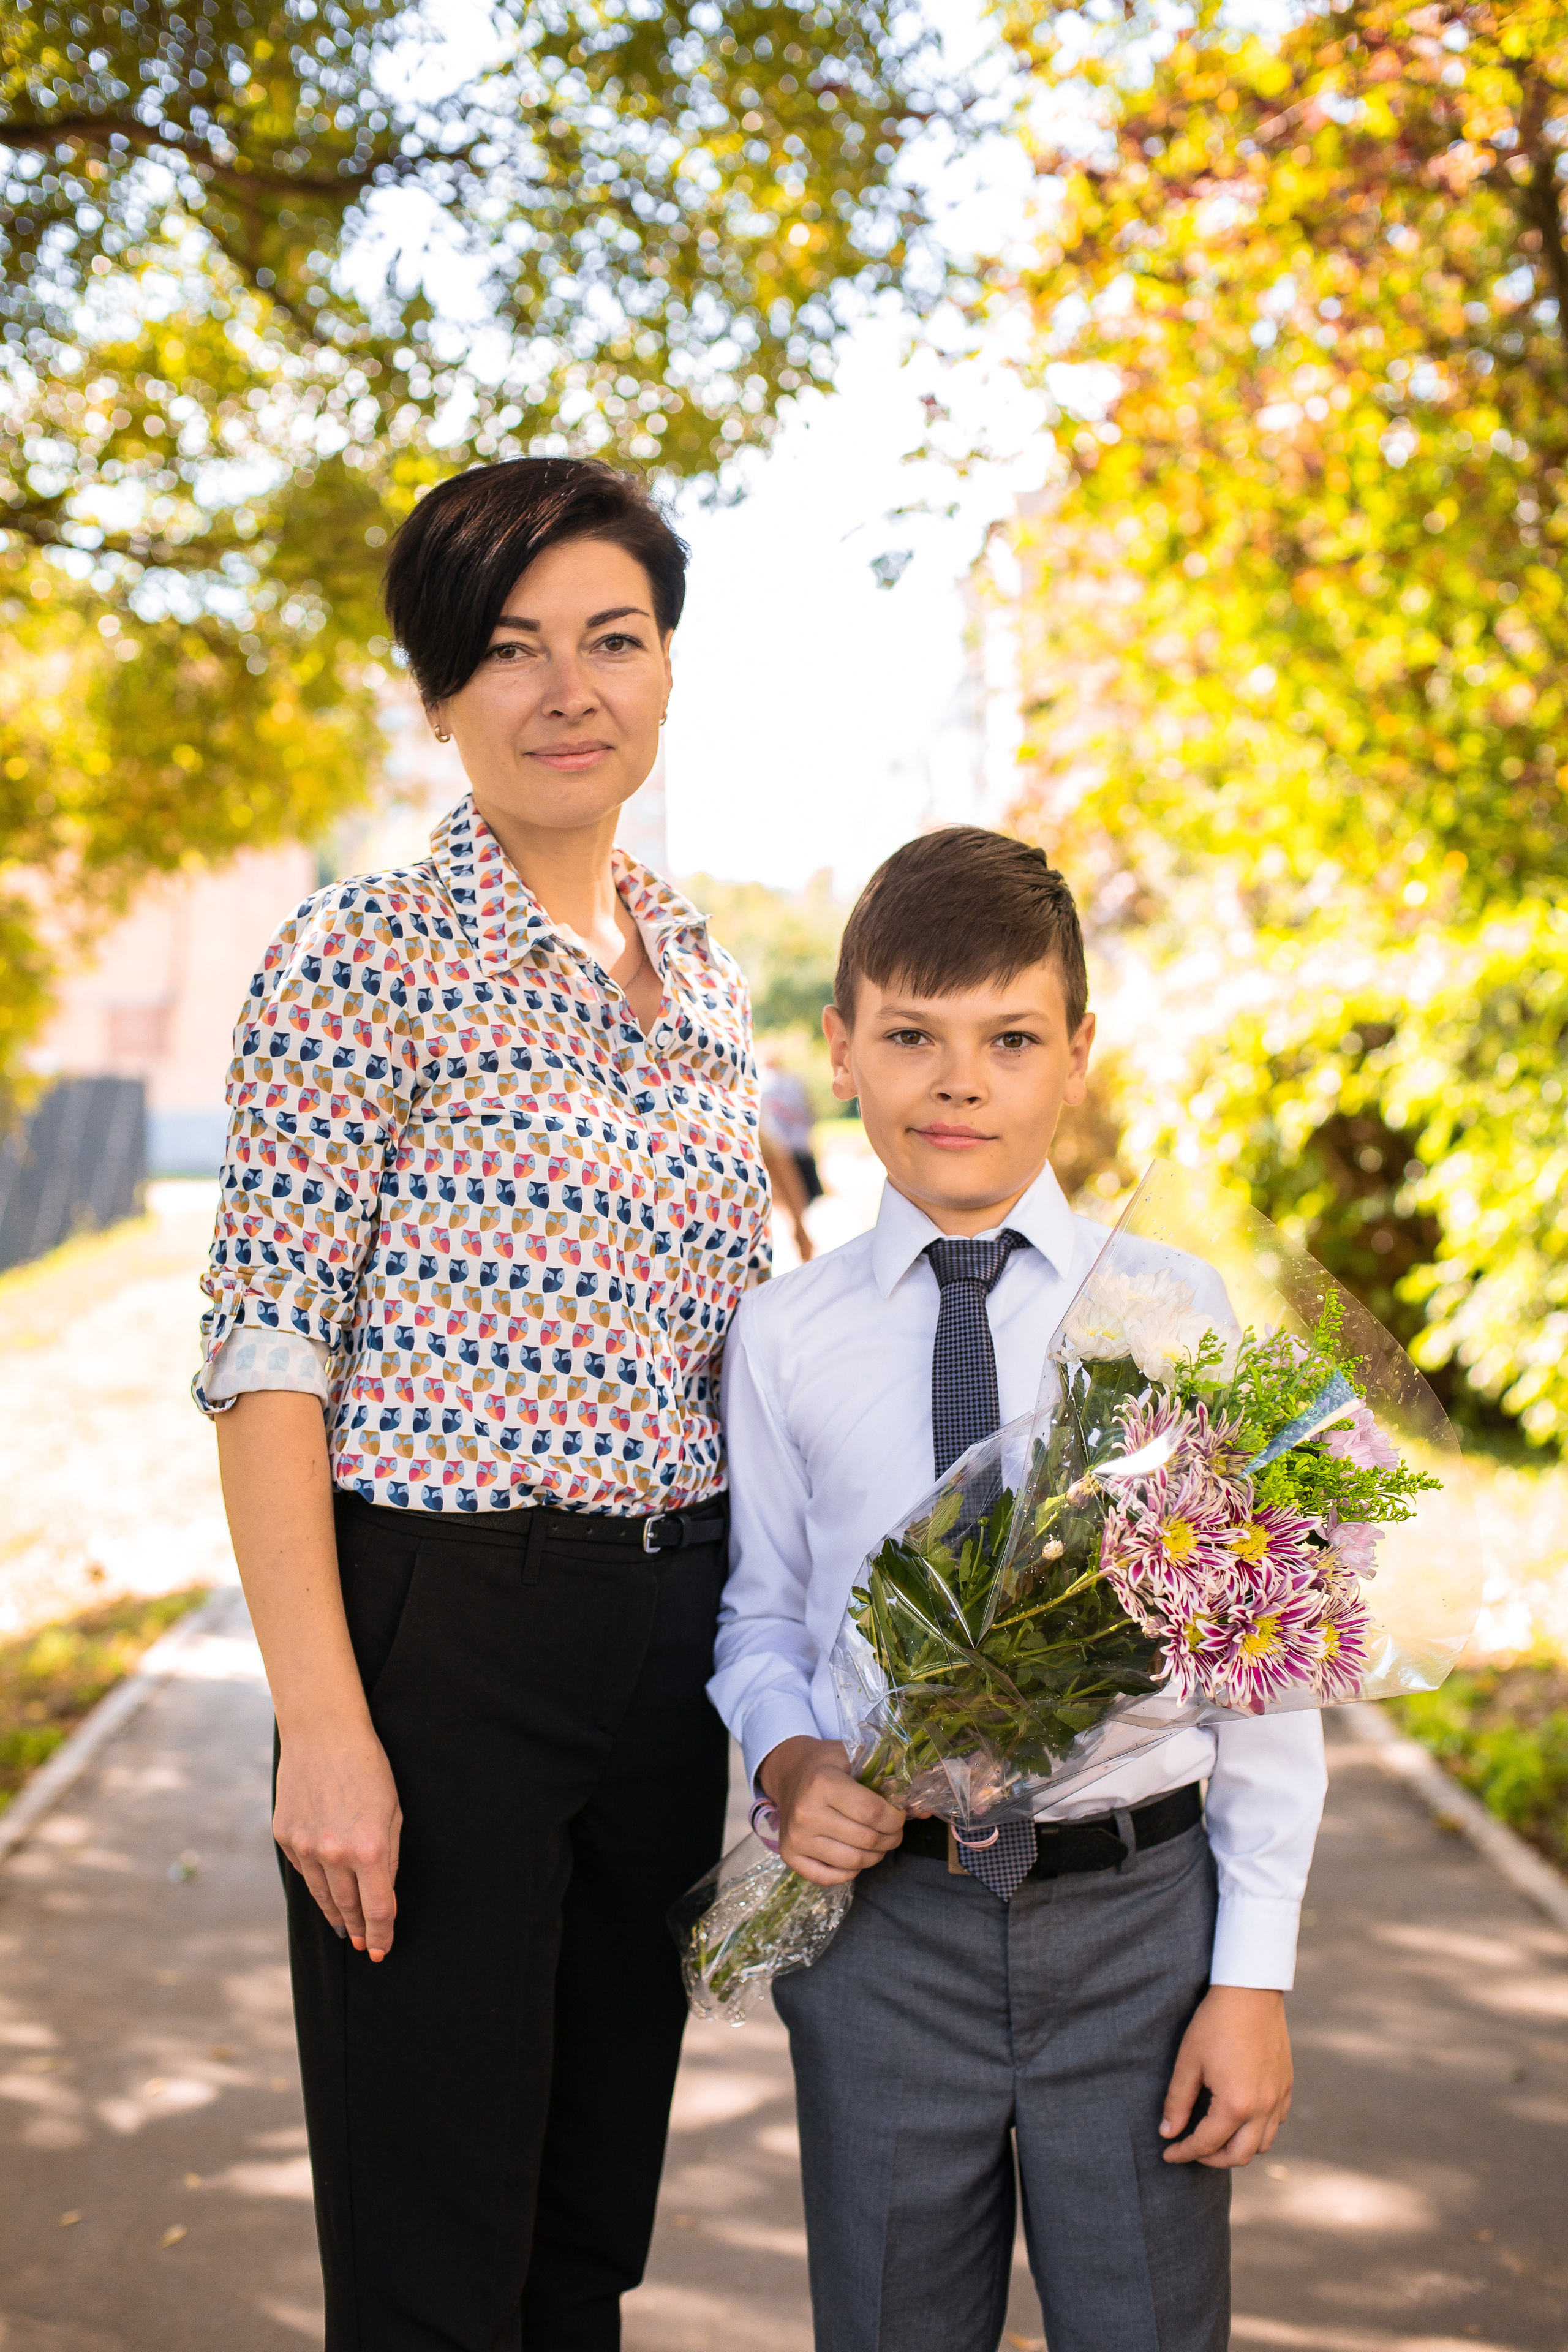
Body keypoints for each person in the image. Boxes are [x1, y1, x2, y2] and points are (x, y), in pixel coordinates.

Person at [195, 458, 770, 2351]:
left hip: (665, 1645)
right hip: (443, 1648)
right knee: (437, 2264)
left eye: (613, 639)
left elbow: (742, 1350)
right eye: (509, 653)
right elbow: (268, 1351)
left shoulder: (701, 975)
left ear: (668, 671)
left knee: (587, 2232)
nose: (567, 690)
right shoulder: (359, 962)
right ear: (442, 697)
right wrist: (321, 1730)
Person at [709, 827, 1327, 2352]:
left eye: (1007, 1040)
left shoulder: (1168, 1310)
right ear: (841, 1048)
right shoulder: (782, 1337)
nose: (957, 1082)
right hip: (881, 1939)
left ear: (1076, 1056)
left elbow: (1260, 1663)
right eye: (910, 1036)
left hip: (1138, 1935)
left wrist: (1249, 1977)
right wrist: (792, 1763)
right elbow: (761, 1614)